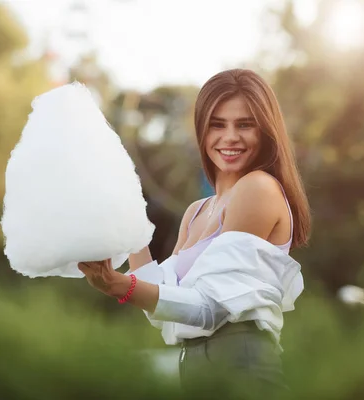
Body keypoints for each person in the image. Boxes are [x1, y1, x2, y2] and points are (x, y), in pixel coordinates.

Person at [78, 69, 311, 398]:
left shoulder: (257, 189)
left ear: (266, 131)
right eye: (217, 124)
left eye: (244, 124)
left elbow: (210, 309)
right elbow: (163, 305)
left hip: (240, 372)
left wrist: (119, 285)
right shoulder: (197, 212)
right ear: (201, 130)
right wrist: (129, 218)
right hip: (198, 372)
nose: (229, 137)